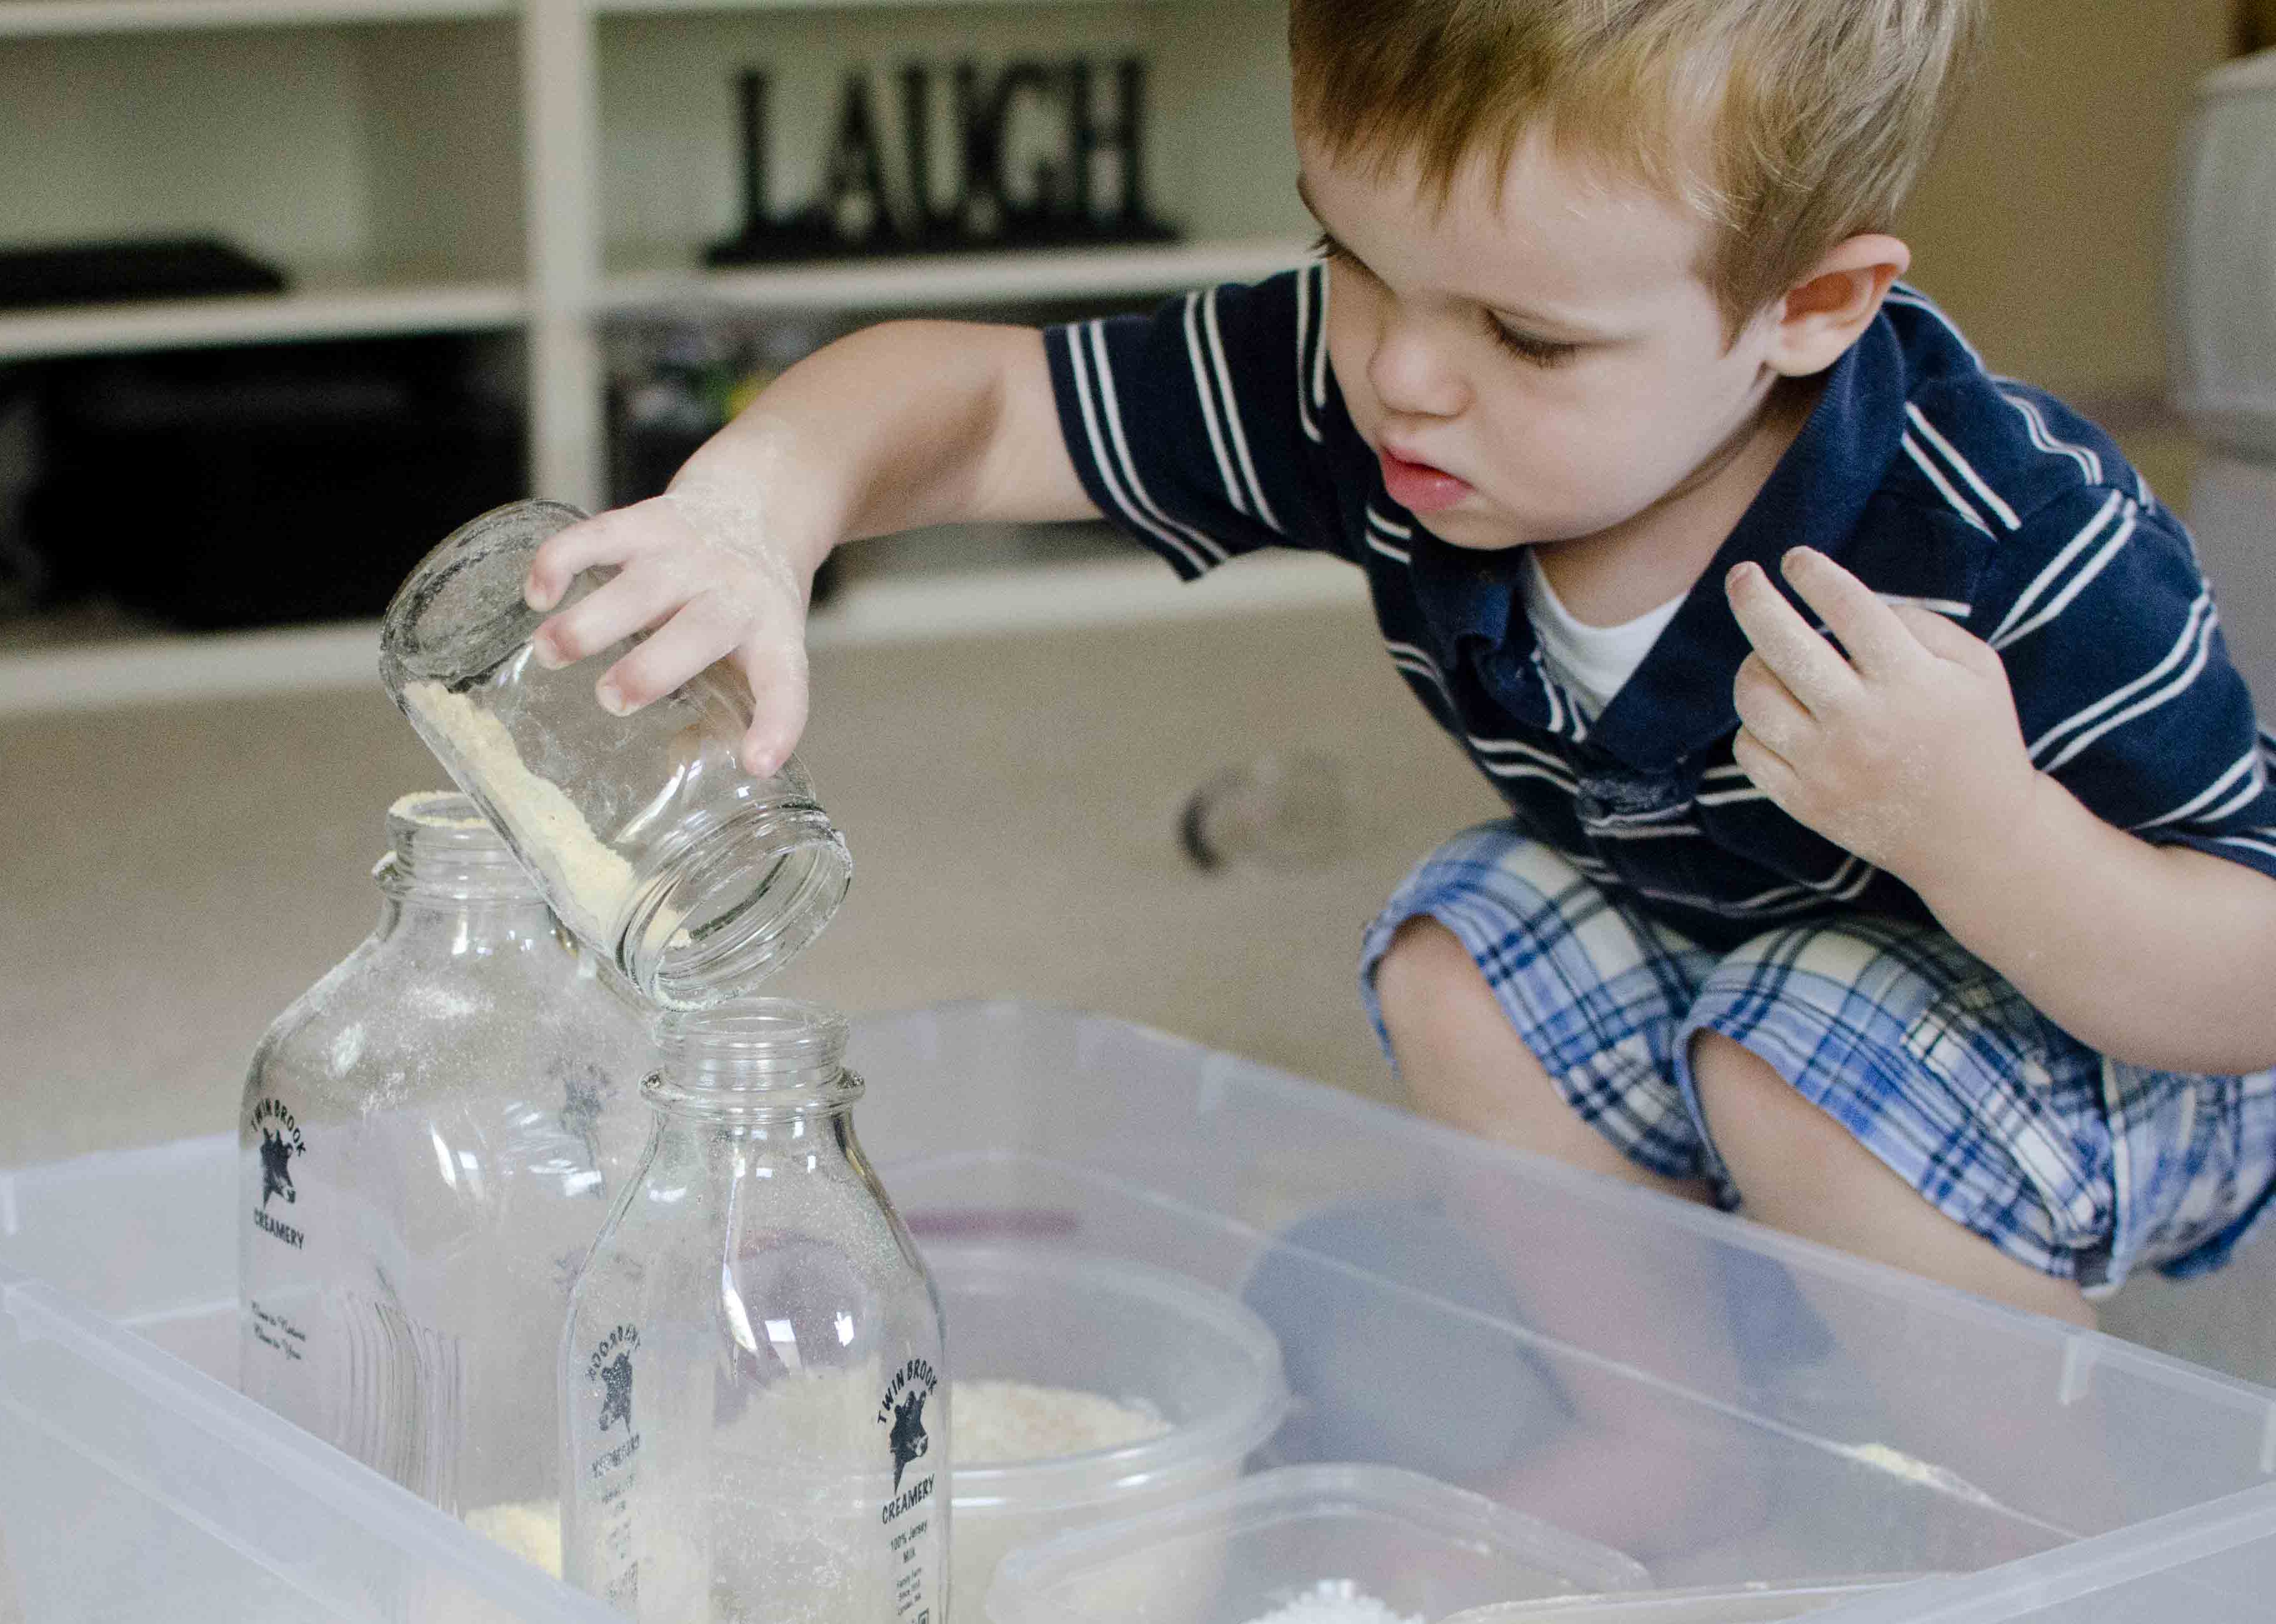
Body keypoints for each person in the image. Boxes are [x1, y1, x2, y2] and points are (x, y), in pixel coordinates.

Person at [520, 0, 2276, 1333]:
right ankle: (1687, 1444)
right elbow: (986, 404)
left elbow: (2247, 987)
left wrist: (1977, 830)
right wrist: (760, 507)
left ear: (1810, 311)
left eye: (1527, 333)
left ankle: (2052, 1544)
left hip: (2112, 1057)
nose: (1403, 380)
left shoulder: (2004, 533)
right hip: (1744, 971)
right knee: (1466, 947)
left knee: (1791, 1055)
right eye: (1350, 258)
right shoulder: (1380, 379)